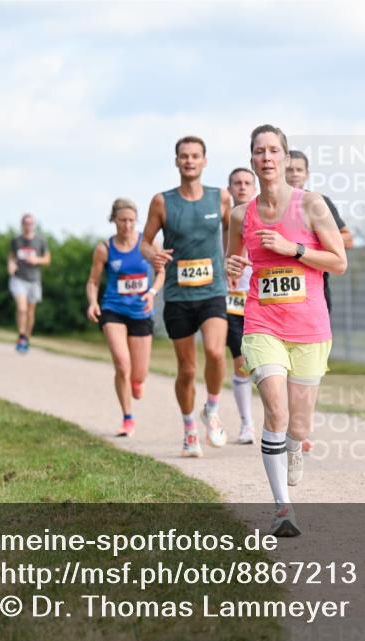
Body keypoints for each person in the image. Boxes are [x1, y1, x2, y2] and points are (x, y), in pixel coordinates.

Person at [226, 124, 347, 537]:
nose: (266, 157)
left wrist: (292, 249)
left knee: (298, 423)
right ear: (252, 159)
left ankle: (296, 445)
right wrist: (233, 268)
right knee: (274, 408)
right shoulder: (241, 213)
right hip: (262, 322)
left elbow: (339, 261)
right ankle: (282, 508)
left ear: (284, 157)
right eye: (259, 151)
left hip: (310, 325)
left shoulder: (311, 205)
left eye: (273, 150)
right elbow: (233, 262)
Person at [141, 136, 231, 458]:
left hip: (213, 292)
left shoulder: (220, 198)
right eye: (184, 156)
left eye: (195, 156)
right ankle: (189, 430)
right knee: (188, 370)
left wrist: (233, 260)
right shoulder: (162, 202)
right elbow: (145, 242)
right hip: (178, 295)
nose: (190, 161)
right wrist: (153, 255)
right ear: (176, 162)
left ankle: (212, 409)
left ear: (205, 161)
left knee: (216, 353)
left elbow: (233, 236)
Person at [87, 198, 165, 437]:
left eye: (131, 220)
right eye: (122, 220)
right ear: (114, 220)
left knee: (139, 374)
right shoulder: (104, 248)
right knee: (122, 364)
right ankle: (127, 418)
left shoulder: (147, 244)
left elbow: (161, 272)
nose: (127, 225)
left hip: (141, 311)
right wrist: (93, 302)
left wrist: (152, 293)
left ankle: (135, 381)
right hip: (113, 310)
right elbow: (93, 281)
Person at [285, 149, 354, 313]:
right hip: (277, 285)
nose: (294, 174)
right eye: (289, 170)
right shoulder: (269, 204)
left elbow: (348, 239)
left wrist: (313, 239)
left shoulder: (319, 202)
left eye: (299, 170)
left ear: (307, 174)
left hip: (315, 285)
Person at [226, 167, 257, 444]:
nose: (242, 187)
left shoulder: (264, 217)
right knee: (241, 363)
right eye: (237, 183)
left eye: (247, 182)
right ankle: (247, 422)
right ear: (229, 189)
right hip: (232, 302)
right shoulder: (221, 222)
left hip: (261, 298)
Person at [7, 213, 51, 353]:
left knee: (31, 313)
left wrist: (36, 260)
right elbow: (11, 257)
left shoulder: (40, 241)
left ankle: (26, 338)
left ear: (34, 225)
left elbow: (47, 259)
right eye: (26, 223)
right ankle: (20, 336)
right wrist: (11, 265)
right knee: (22, 309)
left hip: (34, 281)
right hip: (18, 278)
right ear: (22, 225)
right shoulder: (16, 241)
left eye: (30, 223)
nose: (28, 226)